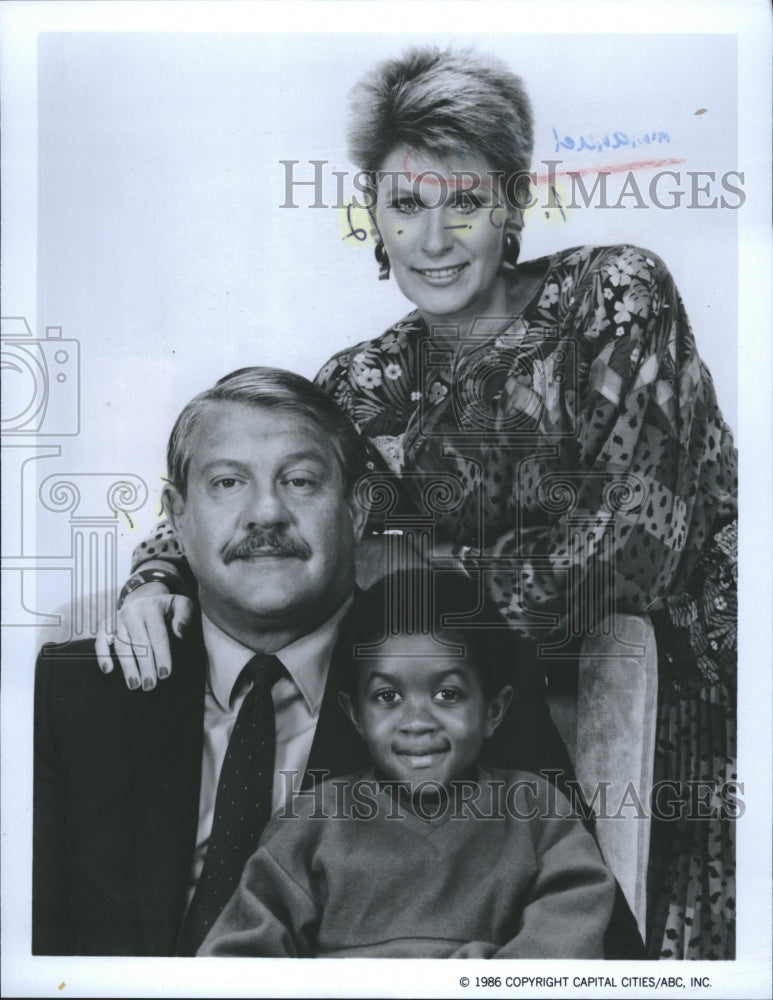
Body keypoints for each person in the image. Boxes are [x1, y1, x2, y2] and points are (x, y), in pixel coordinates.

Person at [98, 47, 737, 960]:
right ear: (374, 218)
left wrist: (423, 566)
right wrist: (154, 580)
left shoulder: (615, 294)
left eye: (464, 203)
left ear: (512, 205)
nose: (433, 241)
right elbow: (266, 498)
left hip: (691, 689)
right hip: (490, 712)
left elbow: (630, 555)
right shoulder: (367, 381)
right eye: (406, 205)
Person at [35, 365, 625, 957]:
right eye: (226, 484)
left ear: (359, 507)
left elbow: (601, 946)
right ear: (177, 514)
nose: (265, 514)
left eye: (300, 481)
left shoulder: (462, 675)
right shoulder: (76, 692)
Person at [199, 570, 616, 959]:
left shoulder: (536, 812)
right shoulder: (312, 821)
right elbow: (237, 956)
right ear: (355, 715)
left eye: (447, 694)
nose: (417, 722)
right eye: (388, 697)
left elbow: (571, 924)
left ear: (493, 710)